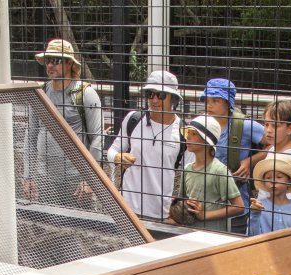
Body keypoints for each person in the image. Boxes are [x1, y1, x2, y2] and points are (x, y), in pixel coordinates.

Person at [21, 39, 103, 204]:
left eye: (56, 60)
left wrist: (90, 179)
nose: (50, 65)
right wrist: (28, 175)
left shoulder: (85, 94)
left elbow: (97, 139)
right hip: (44, 178)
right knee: (47, 226)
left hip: (76, 180)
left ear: (69, 63)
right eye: (48, 60)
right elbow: (30, 137)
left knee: (79, 227)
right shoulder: (40, 93)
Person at [106, 70, 185, 221]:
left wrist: (177, 212)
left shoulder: (182, 131)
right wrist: (117, 157)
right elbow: (112, 150)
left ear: (173, 98)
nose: (154, 100)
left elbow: (190, 172)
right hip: (127, 208)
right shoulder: (133, 120)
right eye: (150, 94)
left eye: (161, 95)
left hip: (161, 213)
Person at [201, 78, 266, 232]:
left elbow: (274, 144)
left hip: (236, 207)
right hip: (206, 205)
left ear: (228, 103)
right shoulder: (202, 124)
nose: (209, 105)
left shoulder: (244, 126)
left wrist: (249, 162)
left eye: (215, 100)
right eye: (207, 100)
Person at [169, 115, 244, 232]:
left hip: (214, 236)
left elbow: (238, 207)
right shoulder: (187, 169)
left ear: (207, 140)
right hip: (190, 235)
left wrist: (205, 215)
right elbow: (182, 199)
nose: (188, 137)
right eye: (188, 132)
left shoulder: (220, 170)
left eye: (194, 134)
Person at [248, 155, 291, 236]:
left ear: (289, 182)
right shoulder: (258, 206)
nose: (273, 181)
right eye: (268, 177)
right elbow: (251, 237)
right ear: (264, 182)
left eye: (279, 177)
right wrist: (255, 214)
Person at [262, 100, 291, 200]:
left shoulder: (290, 160)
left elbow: (290, 199)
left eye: (275, 126)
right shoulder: (272, 149)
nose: (268, 130)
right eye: (266, 124)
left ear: (290, 129)